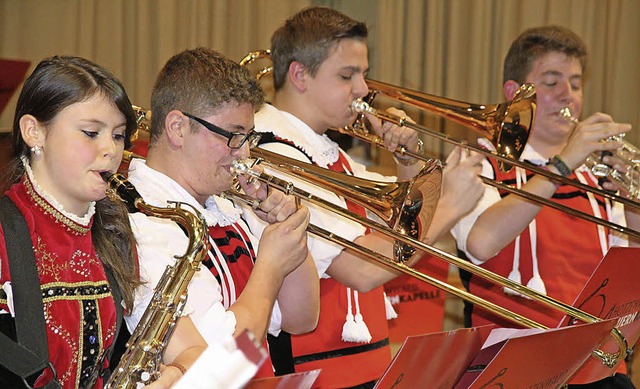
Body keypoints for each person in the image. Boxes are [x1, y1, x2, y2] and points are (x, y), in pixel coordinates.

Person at [242, 6, 486, 388]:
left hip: (359, 365)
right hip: (312, 370)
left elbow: (397, 221)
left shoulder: (327, 150)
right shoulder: (275, 152)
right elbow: (363, 269)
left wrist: (405, 162)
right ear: (299, 75)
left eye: (363, 74)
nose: (363, 90)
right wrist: (453, 205)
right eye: (347, 75)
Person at [0, 56, 206, 389]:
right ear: (34, 131)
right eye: (91, 132)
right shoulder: (5, 232)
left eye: (119, 135)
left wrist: (172, 375)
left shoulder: (115, 233)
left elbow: (188, 350)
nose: (111, 150)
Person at [450, 25, 639, 387]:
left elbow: (628, 278)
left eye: (576, 83)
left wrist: (633, 204)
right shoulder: (479, 165)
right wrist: (562, 166)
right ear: (515, 94)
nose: (568, 96)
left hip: (598, 370)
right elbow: (481, 243)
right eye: (552, 83)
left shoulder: (599, 175)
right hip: (510, 373)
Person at [124, 47, 319, 380]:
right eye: (233, 136)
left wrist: (287, 231)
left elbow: (302, 318)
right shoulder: (141, 223)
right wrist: (270, 268)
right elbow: (220, 367)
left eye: (248, 137)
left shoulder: (224, 206)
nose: (243, 153)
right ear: (177, 128)